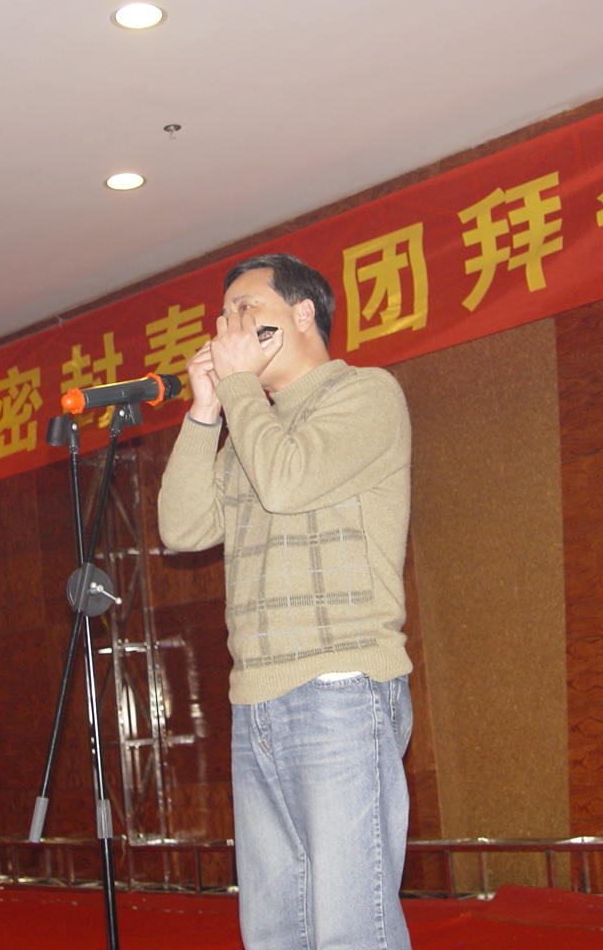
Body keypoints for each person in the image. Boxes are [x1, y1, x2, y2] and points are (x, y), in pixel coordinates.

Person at [157, 253, 414, 950]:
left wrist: (240, 390)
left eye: (247, 310)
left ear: (304, 315)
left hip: (340, 688)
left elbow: (288, 482)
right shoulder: (250, 428)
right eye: (224, 316)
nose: (229, 327)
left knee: (350, 927)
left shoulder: (367, 394)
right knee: (275, 929)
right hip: (256, 700)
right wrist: (205, 412)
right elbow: (182, 528)